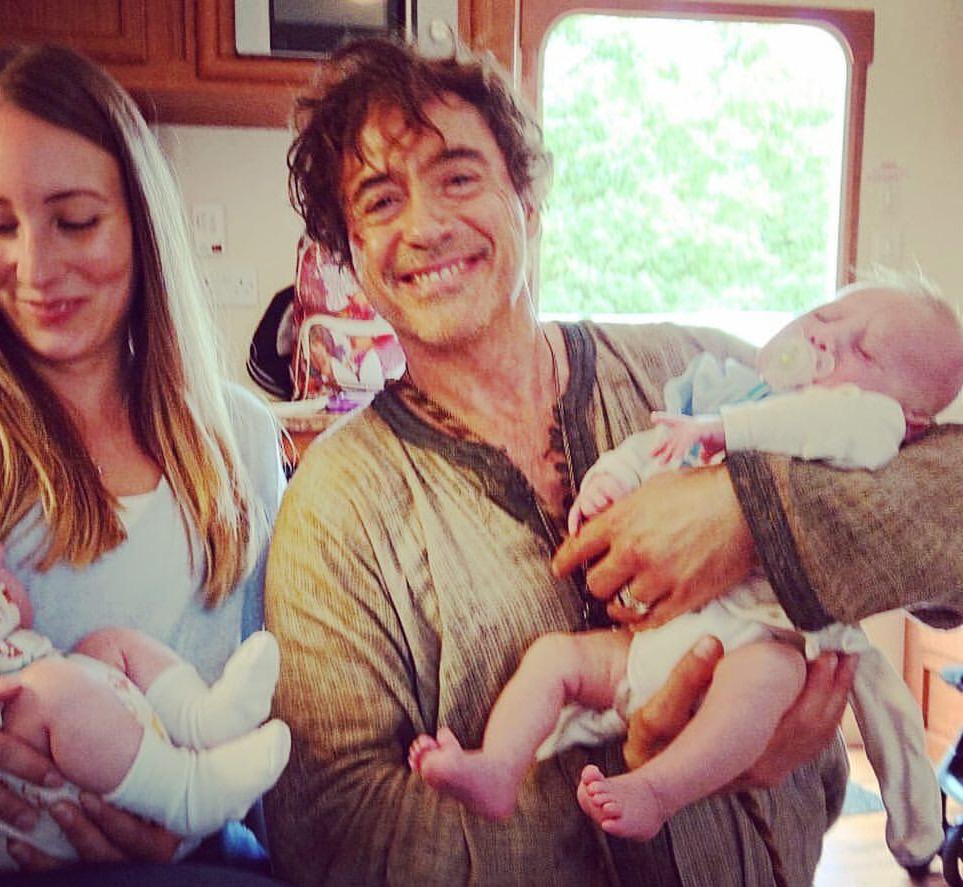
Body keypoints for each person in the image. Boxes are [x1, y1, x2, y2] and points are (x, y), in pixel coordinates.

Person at [264, 37, 855, 887]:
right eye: (381, 198)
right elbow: (328, 830)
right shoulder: (333, 508)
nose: (425, 226)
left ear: (527, 198)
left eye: (458, 176)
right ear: (350, 252)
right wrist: (665, 762)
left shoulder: (701, 372)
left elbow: (925, 518)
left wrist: (749, 518)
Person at [0, 44, 287, 879]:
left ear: (142, 222)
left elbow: (255, 722)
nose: (35, 270)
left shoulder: (241, 442)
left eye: (75, 221)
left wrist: (186, 814)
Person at [406, 282, 959, 872]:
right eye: (825, 316)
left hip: (754, 641)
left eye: (864, 351)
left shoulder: (869, 428)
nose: (827, 338)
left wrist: (728, 435)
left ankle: (658, 791)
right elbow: (653, 448)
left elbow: (815, 424)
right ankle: (499, 766)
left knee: (765, 679)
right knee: (554, 660)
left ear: (911, 423)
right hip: (645, 646)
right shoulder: (730, 395)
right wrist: (610, 481)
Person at [0, 418, 290, 872]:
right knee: (49, 690)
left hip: (72, 748)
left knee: (108, 644)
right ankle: (187, 792)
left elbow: (16, 618)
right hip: (3, 775)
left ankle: (202, 720)